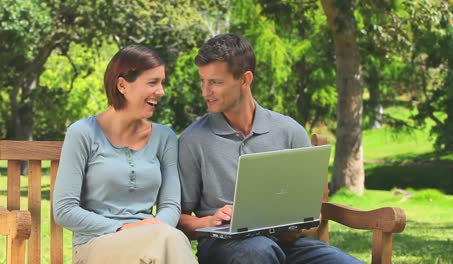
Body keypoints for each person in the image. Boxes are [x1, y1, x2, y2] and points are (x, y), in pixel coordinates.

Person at [177, 33, 363, 263]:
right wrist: (209, 221)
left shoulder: (289, 131)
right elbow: (178, 218)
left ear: (245, 79)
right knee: (259, 252)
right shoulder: (192, 140)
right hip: (225, 246)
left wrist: (299, 224)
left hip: (290, 244)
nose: (205, 91)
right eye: (202, 81)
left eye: (215, 82)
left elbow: (312, 211)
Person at [53, 45, 197, 264]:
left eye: (162, 82)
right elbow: (64, 210)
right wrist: (122, 228)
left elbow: (170, 206)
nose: (161, 91)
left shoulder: (164, 137)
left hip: (156, 242)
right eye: (152, 82)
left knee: (164, 241)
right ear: (122, 85)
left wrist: (154, 229)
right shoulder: (82, 133)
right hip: (96, 244)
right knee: (168, 241)